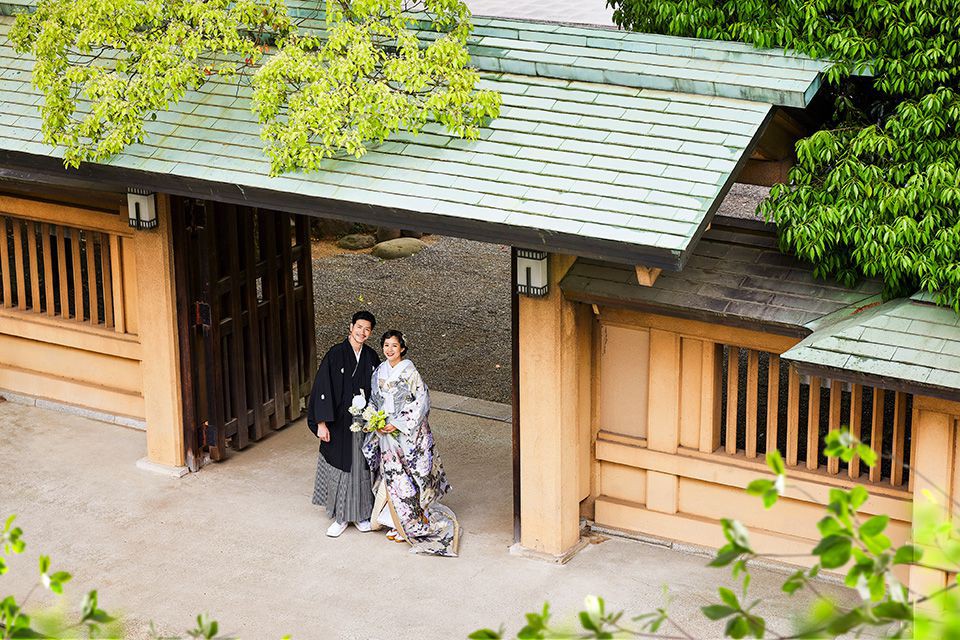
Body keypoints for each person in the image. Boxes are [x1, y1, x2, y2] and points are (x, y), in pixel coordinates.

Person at [362, 330, 460, 557]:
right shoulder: (379, 371)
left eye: (394, 346)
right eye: (386, 345)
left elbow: (422, 401)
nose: (389, 350)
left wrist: (397, 423)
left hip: (407, 434)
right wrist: (375, 420)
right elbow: (374, 400)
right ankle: (393, 521)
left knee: (411, 476)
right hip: (386, 433)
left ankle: (409, 523)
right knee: (393, 476)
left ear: (402, 348)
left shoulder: (410, 371)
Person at [307, 310, 381, 537]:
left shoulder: (370, 357)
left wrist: (376, 418)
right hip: (338, 421)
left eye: (367, 329)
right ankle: (340, 517)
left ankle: (360, 515)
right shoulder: (335, 354)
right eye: (359, 327)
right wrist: (321, 423)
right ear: (351, 327)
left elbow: (379, 390)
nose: (362, 332)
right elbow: (322, 389)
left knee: (361, 468)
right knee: (340, 467)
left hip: (363, 422)